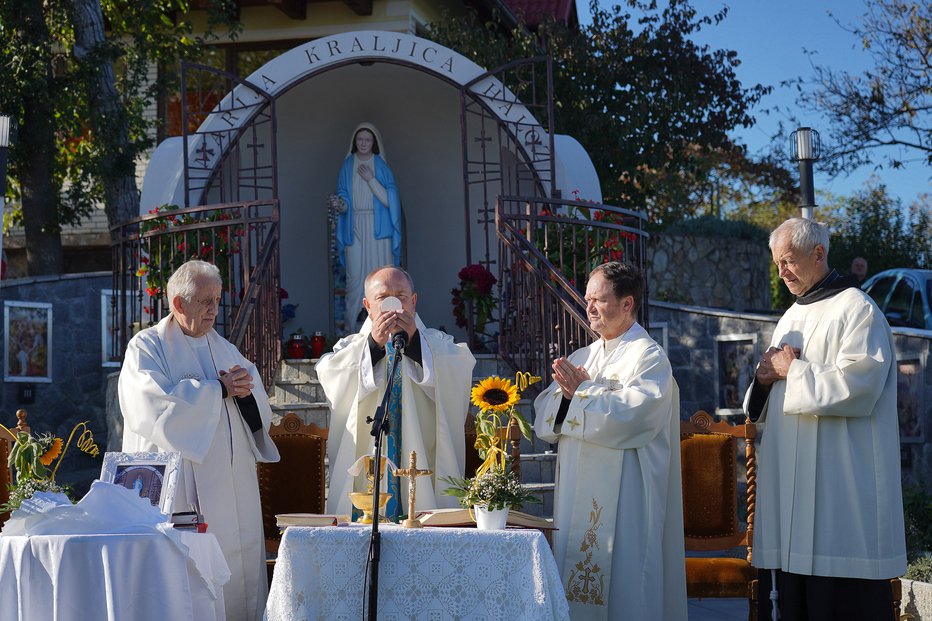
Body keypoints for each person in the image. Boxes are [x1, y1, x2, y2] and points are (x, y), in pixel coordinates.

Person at [744, 218, 905, 620]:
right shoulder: (789, 318)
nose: (782, 272)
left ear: (818, 254)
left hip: (839, 498)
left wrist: (791, 372)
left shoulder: (858, 310)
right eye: (777, 264)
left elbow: (859, 385)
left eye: (789, 261)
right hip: (789, 494)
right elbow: (762, 399)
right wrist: (763, 379)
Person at [119, 260, 280, 621]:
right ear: (178, 303)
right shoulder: (146, 347)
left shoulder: (223, 348)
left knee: (239, 577)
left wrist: (243, 393)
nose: (214, 310)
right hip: (180, 488)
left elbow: (259, 407)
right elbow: (149, 405)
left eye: (218, 300)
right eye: (205, 301)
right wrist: (217, 390)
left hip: (232, 486)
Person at [534, 261, 687, 621]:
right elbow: (545, 419)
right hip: (578, 495)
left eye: (598, 300)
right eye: (587, 299)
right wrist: (572, 396)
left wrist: (582, 392)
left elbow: (635, 417)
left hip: (627, 499)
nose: (588, 307)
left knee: (625, 587)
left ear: (626, 304)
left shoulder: (648, 357)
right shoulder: (582, 356)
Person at [317, 266, 475, 519]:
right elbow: (330, 371)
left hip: (422, 461)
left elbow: (460, 366)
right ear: (368, 305)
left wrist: (415, 344)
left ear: (413, 301)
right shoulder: (351, 348)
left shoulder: (438, 344)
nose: (394, 304)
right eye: (382, 297)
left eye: (401, 296)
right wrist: (373, 346)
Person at [328, 123, 403, 326]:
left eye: (367, 139)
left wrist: (371, 180)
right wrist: (340, 204)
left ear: (374, 142)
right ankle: (352, 327)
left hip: (379, 230)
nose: (363, 143)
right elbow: (343, 196)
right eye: (360, 139)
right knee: (354, 279)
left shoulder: (380, 166)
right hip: (355, 226)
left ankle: (386, 324)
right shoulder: (347, 166)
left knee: (383, 277)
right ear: (354, 142)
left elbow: (391, 201)